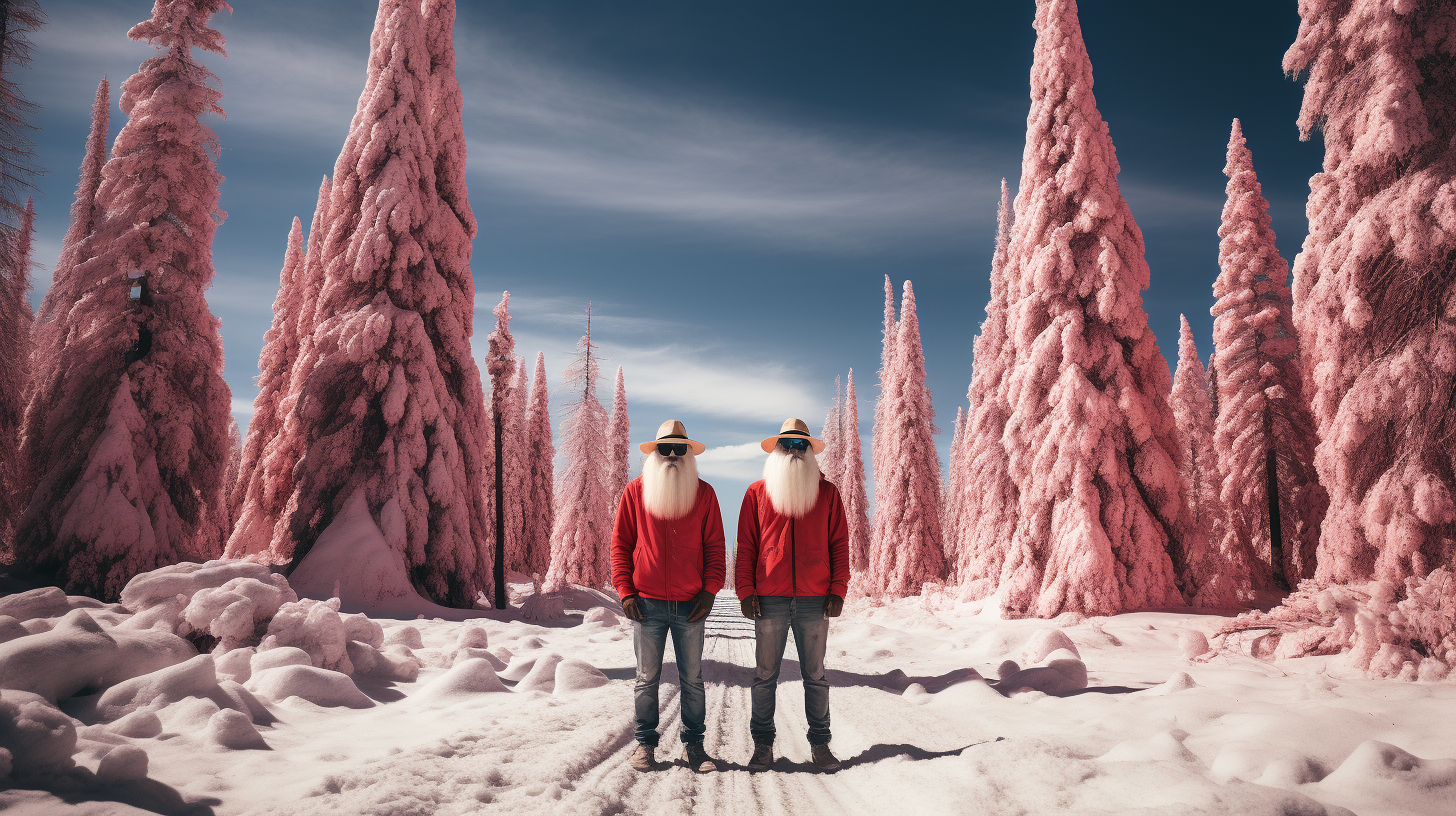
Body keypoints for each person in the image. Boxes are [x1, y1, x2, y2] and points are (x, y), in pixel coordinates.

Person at [736, 418, 850, 773]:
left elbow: (839, 544)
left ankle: (820, 745)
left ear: (810, 451)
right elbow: (746, 546)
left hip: (815, 600)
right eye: (787, 445)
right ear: (777, 450)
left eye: (801, 445)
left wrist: (838, 589)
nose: (794, 451)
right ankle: (763, 746)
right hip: (769, 598)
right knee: (765, 674)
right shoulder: (757, 492)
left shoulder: (828, 493)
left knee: (815, 676)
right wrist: (745, 590)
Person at [612, 419, 726, 773]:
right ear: (656, 452)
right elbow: (621, 544)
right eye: (666, 448)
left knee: (692, 678)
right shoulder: (635, 491)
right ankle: (645, 744)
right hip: (646, 603)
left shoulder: (704, 493)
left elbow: (715, 549)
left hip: (691, 603)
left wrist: (709, 592)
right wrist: (625, 589)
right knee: (647, 678)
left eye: (680, 448)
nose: (673, 454)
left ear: (689, 453)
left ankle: (694, 747)